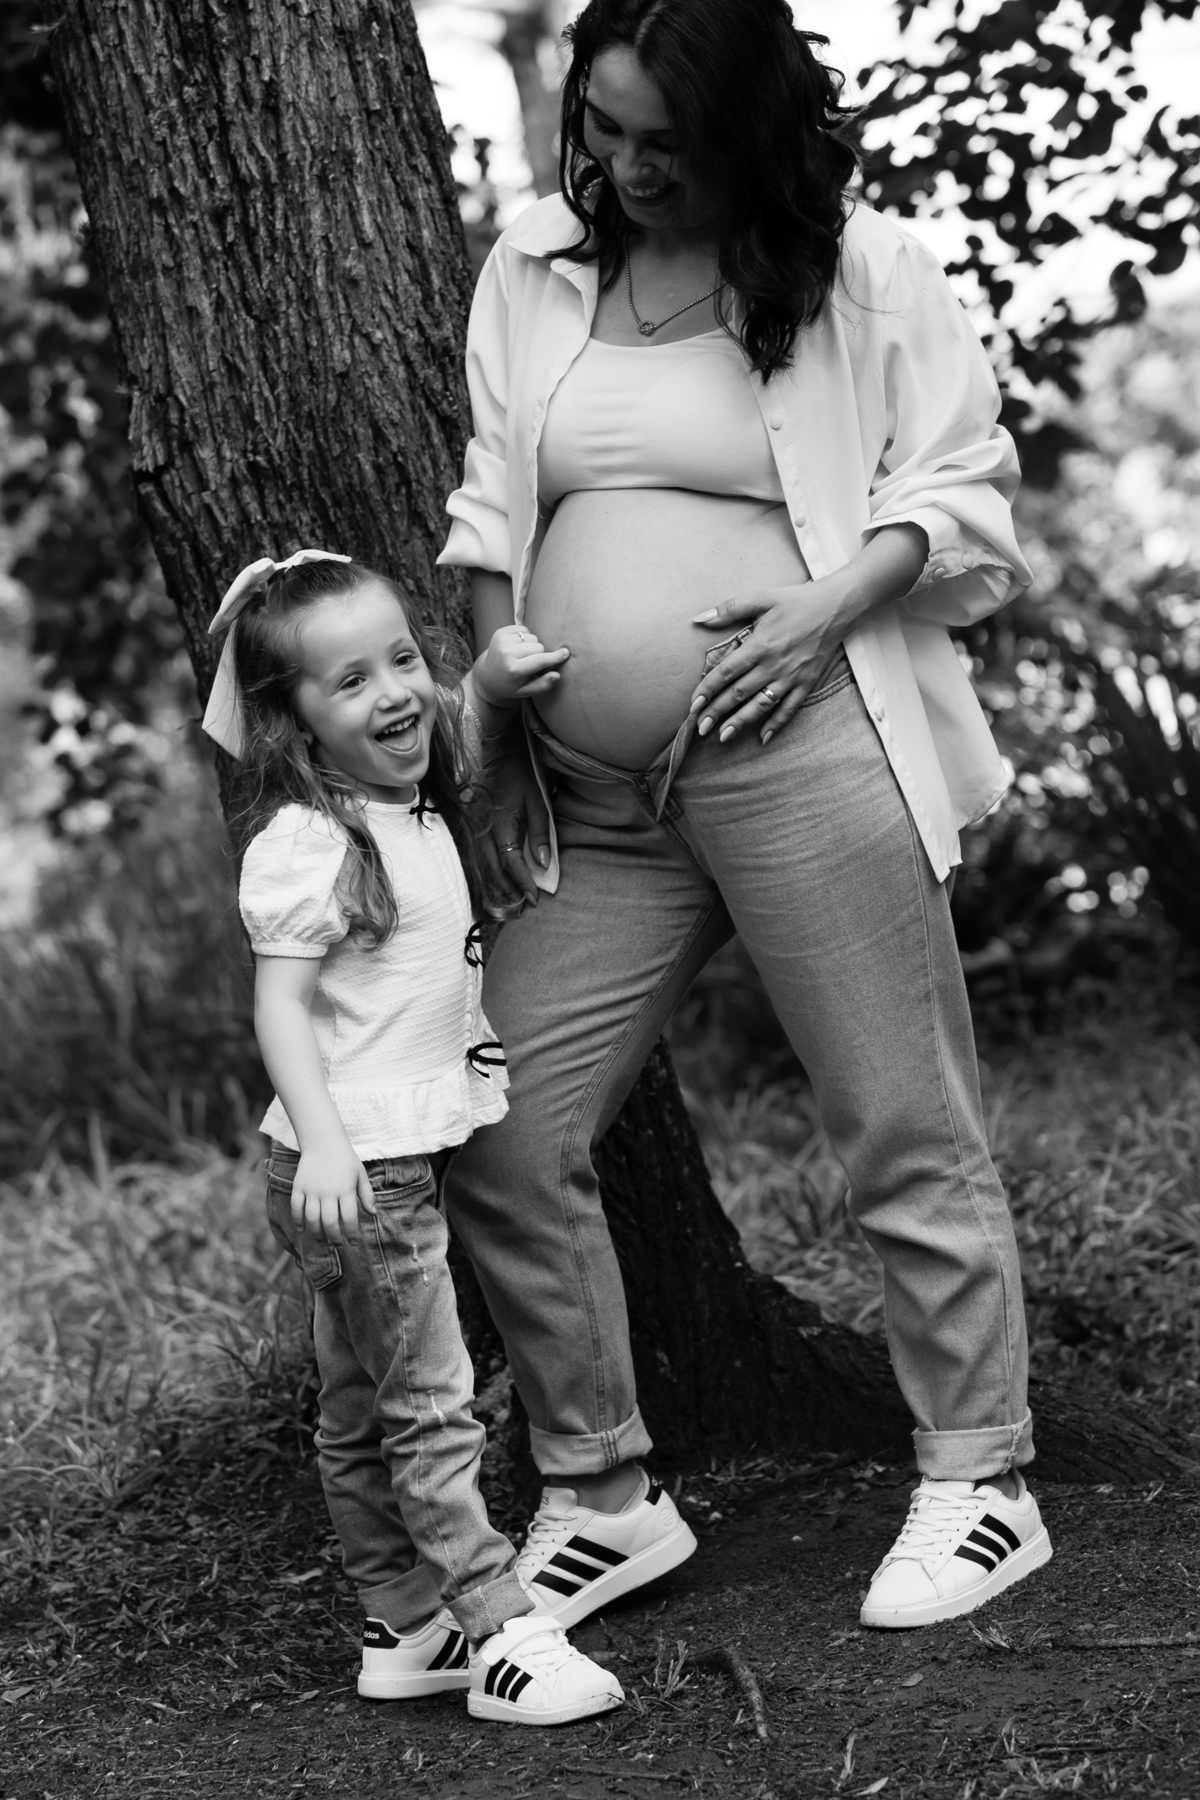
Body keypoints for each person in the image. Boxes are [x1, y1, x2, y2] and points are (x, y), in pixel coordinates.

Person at [438, 0, 1053, 1633]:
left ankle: (981, 1482)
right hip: (595, 794)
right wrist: (499, 706)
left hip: (800, 742)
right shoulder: (534, 264)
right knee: (496, 1120)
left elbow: (962, 493)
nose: (628, 168)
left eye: (666, 141)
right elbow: (500, 493)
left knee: (896, 1119)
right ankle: (604, 1491)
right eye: (608, 128)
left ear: (746, 132)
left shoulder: (868, 272)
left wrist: (814, 617)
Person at [200, 547, 623, 1724]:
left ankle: (403, 1626)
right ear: (295, 725)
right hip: (357, 1164)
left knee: (356, 1404)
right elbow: (280, 1007)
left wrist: (481, 684)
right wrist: (331, 1148)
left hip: (378, 1150)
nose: (393, 693)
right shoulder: (310, 844)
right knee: (428, 1404)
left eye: (402, 659)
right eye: (351, 682)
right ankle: (500, 1630)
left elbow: (464, 738)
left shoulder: (408, 801)